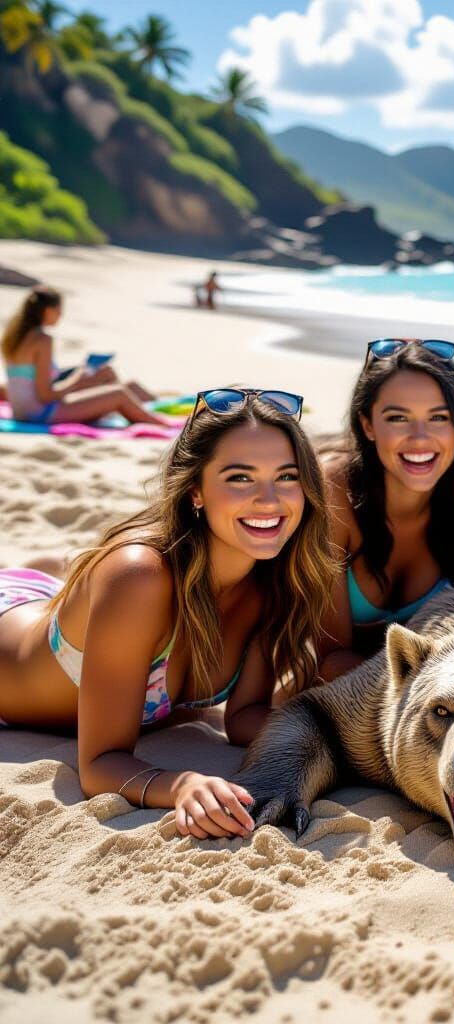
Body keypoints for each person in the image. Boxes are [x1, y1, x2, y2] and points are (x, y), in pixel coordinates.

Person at [0, 388, 336, 837]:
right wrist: (181, 785)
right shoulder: (140, 578)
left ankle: (56, 573)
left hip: (60, 610)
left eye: (287, 476)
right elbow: (98, 765)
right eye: (240, 478)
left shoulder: (273, 580)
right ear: (196, 490)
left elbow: (241, 719)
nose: (269, 499)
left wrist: (337, 738)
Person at [317, 339, 454, 679]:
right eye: (398, 418)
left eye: (439, 417)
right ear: (368, 425)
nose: (420, 438)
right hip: (326, 689)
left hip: (423, 689)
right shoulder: (335, 490)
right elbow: (329, 659)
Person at [2, 285, 165, 426]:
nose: (60, 315)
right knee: (118, 394)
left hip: (23, 413)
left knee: (118, 388)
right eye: (59, 311)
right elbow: (45, 396)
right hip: (39, 414)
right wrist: (76, 380)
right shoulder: (43, 339)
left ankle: (155, 417)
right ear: (48, 311)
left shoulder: (14, 337)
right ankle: (165, 427)